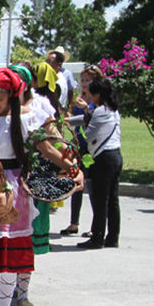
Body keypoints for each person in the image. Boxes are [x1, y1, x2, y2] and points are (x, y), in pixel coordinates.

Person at [0, 68, 82, 306]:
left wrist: (73, 167)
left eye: (2, 97)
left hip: (15, 190)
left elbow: (46, 148)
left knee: (9, 259)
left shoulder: (23, 120)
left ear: (12, 95)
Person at [69, 77, 123, 249]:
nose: (89, 96)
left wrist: (77, 130)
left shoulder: (100, 111)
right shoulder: (112, 110)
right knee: (112, 200)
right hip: (116, 156)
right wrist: (70, 120)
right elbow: (88, 119)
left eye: (91, 92)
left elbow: (89, 134)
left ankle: (97, 237)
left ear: (98, 94)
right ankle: (112, 237)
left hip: (103, 158)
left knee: (100, 200)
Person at [61, 63, 104, 236]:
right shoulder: (79, 98)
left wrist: (86, 109)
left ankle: (96, 226)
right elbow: (72, 119)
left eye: (89, 80)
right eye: (83, 80)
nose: (85, 83)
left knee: (92, 186)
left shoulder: (98, 101)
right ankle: (74, 223)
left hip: (91, 147)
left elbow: (94, 120)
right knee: (75, 183)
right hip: (78, 144)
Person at [46, 47, 76, 114]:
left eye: (50, 61)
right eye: (47, 61)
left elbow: (70, 92)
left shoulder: (64, 76)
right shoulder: (49, 75)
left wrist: (69, 108)